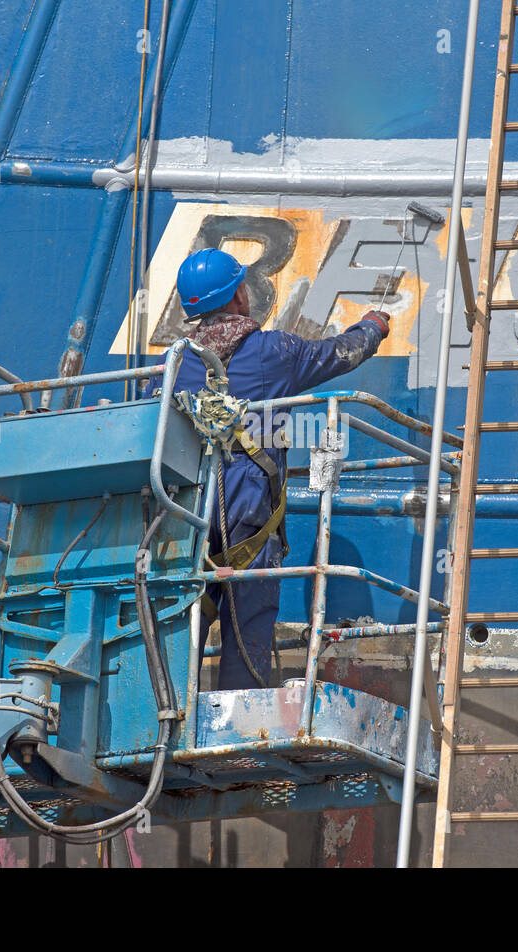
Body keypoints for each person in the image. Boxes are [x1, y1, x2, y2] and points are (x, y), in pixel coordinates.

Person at [161, 247, 390, 690]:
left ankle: (164, 730)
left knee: (178, 632)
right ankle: (237, 743)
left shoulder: (174, 363)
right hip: (247, 520)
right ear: (239, 297)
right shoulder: (272, 352)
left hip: (183, 518)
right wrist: (373, 327)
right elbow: (341, 352)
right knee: (248, 633)